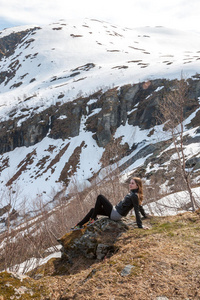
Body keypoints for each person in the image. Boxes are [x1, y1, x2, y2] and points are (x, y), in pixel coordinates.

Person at [71, 177, 147, 230]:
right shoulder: (132, 193)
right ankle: (79, 225)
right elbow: (140, 207)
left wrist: (140, 226)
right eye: (130, 183)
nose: (130, 184)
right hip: (115, 211)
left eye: (132, 183)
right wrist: (145, 216)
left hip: (116, 214)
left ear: (137, 186)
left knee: (100, 197)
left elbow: (137, 210)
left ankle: (93, 218)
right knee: (93, 210)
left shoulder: (134, 196)